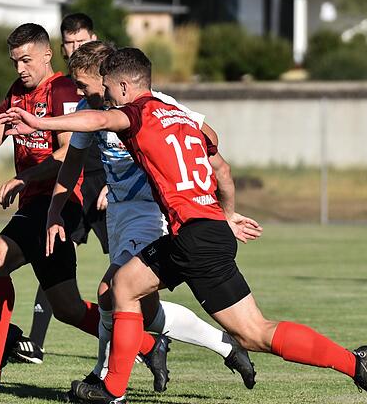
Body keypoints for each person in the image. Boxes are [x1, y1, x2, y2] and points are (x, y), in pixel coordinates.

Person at [0, 48, 367, 404]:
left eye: (111, 89)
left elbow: (99, 118)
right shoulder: (185, 117)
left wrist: (38, 119)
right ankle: (356, 363)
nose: (109, 96)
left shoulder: (137, 112)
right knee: (244, 328)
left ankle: (111, 389)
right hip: (210, 230)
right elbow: (221, 169)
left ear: (122, 85)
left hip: (192, 236)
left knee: (131, 292)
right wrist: (228, 214)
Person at [0, 24, 168, 393]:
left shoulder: (65, 90)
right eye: (15, 61)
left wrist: (25, 177)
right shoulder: (17, 92)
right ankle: (148, 343)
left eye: (26, 60)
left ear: (47, 55)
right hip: (38, 202)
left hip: (61, 201)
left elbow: (66, 153)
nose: (20, 69)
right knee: (66, 307)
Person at [42, 40, 260, 392]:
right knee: (143, 308)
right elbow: (72, 164)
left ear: (109, 79)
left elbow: (206, 138)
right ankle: (220, 345)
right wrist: (55, 211)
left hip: (151, 210)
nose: (79, 91)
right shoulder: (89, 108)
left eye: (83, 83)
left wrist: (206, 194)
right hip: (118, 213)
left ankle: (103, 378)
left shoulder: (154, 105)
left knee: (110, 291)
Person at [12, 13, 109, 365]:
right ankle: (36, 343)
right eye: (67, 43)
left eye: (79, 42)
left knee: (126, 270)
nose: (72, 49)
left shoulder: (109, 88)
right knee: (51, 258)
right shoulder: (66, 87)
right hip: (73, 181)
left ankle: (143, 337)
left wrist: (113, 185)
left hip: (105, 183)